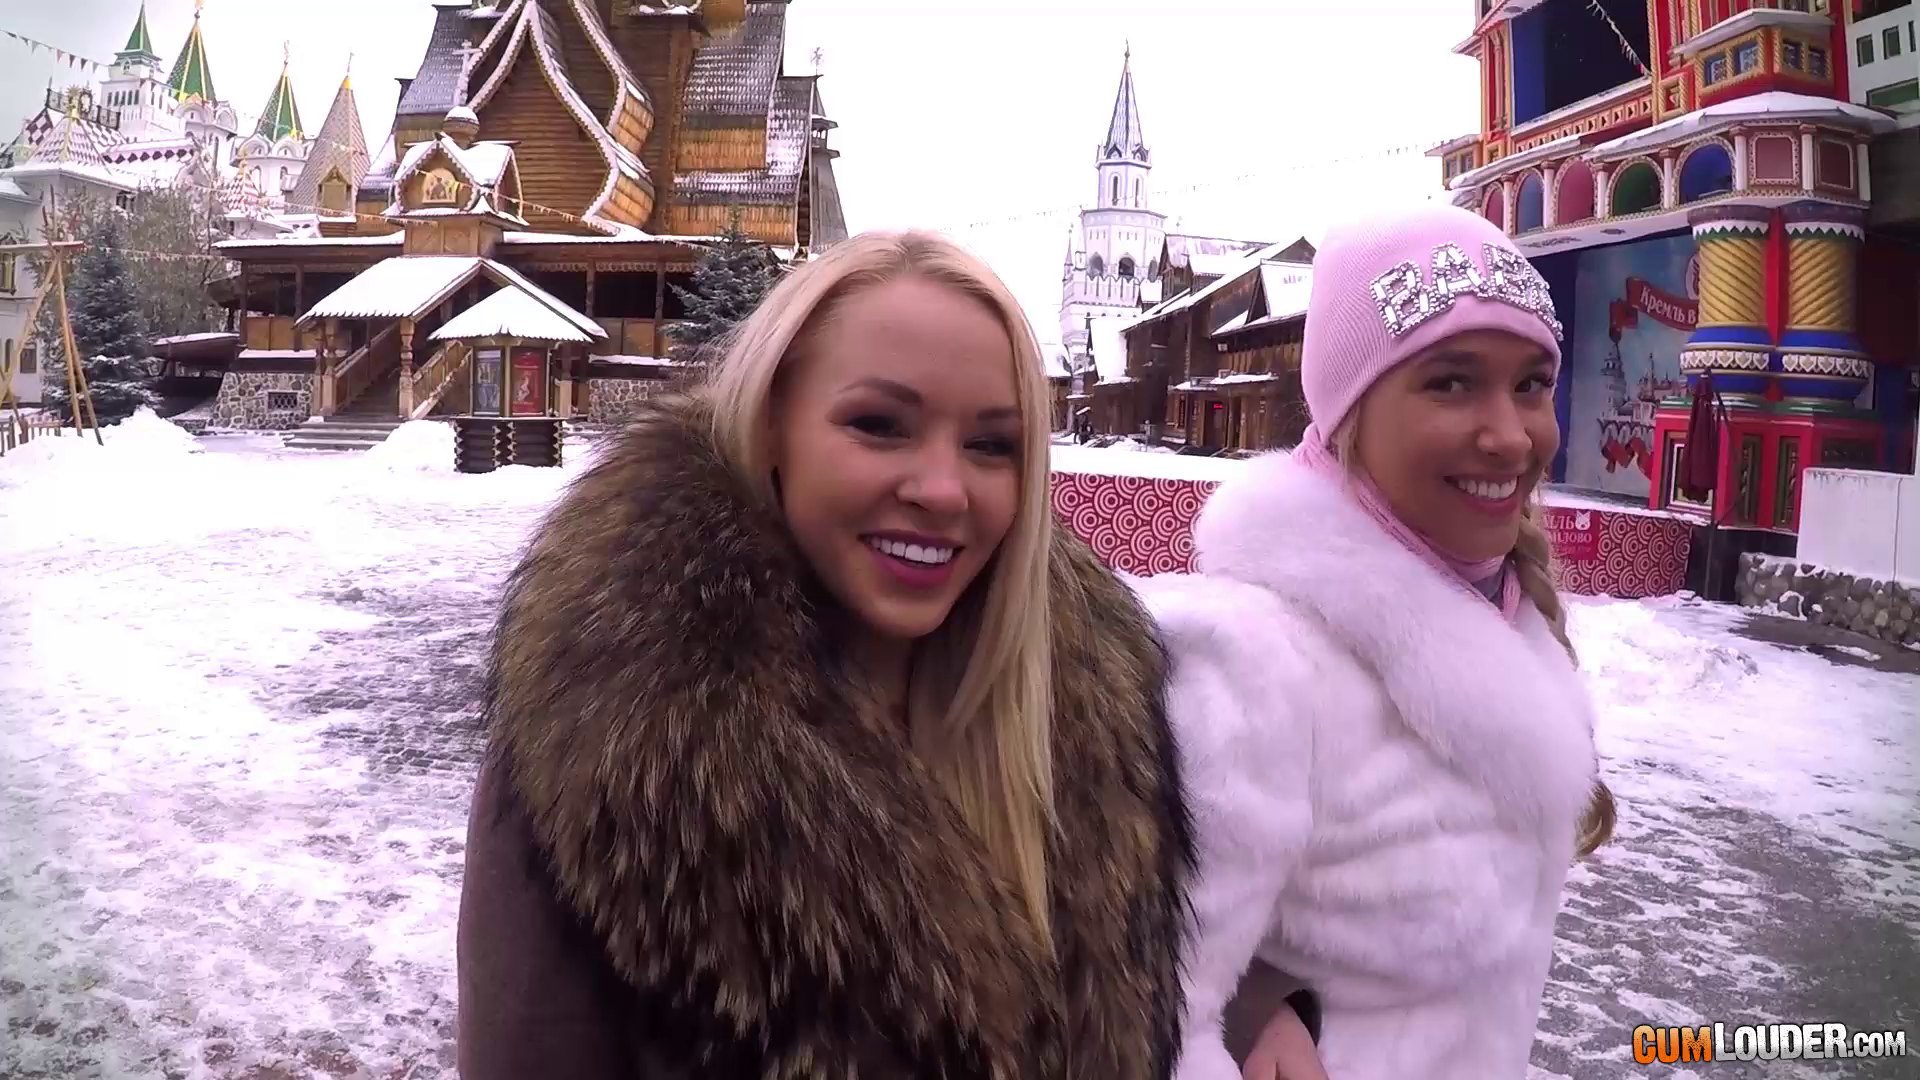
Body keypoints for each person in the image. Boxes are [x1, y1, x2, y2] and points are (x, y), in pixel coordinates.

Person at [456, 230, 1226, 1077]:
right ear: (771, 427)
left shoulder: (1091, 719)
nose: (942, 490)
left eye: (991, 445)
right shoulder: (605, 740)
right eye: (879, 426)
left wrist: (1278, 1010)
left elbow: (1224, 934)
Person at [1137, 202, 1618, 1080]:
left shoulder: (1511, 621)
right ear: (1350, 411)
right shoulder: (1254, 664)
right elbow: (1140, 1016)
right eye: (1451, 383)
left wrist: (1278, 997)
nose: (1511, 436)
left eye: (1531, 384)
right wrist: (1248, 1014)